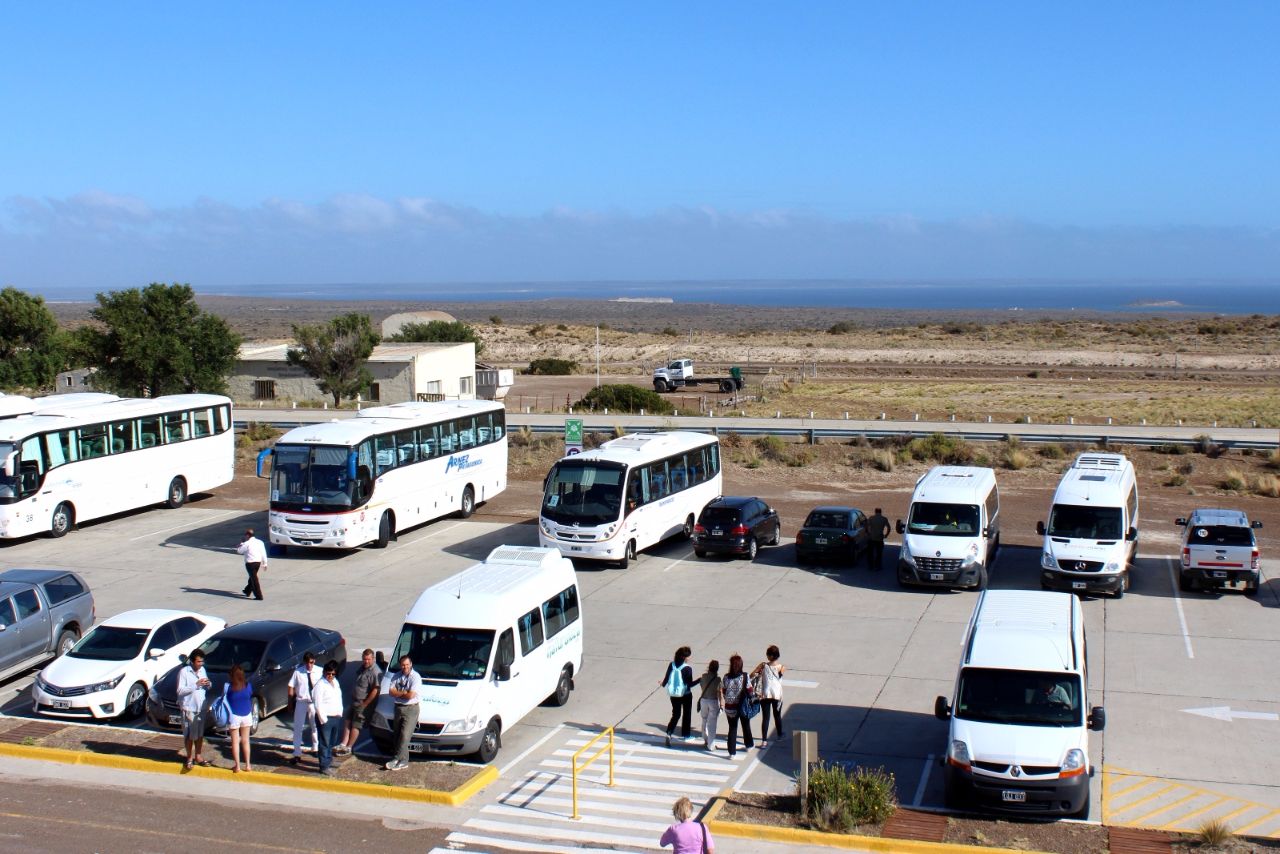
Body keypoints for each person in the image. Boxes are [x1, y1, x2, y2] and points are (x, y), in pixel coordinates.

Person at [337, 648, 381, 756]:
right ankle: (343, 743)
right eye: (364, 659)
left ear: (373, 658)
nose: (366, 661)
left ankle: (349, 747)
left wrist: (365, 704)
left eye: (369, 659)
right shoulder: (363, 668)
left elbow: (376, 690)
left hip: (363, 703)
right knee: (347, 720)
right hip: (355, 701)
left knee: (356, 725)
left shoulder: (375, 672)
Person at [177, 648, 211, 770]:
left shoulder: (203, 670)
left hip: (200, 708)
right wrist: (195, 685)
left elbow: (206, 686)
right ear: (192, 661)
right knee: (189, 735)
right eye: (198, 662)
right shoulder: (184, 672)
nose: (201, 664)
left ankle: (198, 755)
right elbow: (180, 691)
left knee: (200, 734)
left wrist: (208, 684)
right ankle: (189, 757)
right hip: (189, 708)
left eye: (202, 661)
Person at [386, 654, 421, 771]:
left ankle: (399, 759)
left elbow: (411, 695)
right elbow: (391, 692)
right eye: (403, 665)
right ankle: (401, 760)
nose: (405, 667)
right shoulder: (396, 676)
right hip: (398, 708)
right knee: (397, 734)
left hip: (411, 709)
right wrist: (403, 692)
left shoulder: (415, 677)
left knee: (405, 735)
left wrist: (399, 692)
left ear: (411, 664)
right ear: (400, 665)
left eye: (407, 664)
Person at [287, 652, 320, 764]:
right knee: (298, 727)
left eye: (311, 662)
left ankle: (315, 747)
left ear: (314, 661)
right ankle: (297, 752)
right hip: (301, 701)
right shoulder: (298, 672)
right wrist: (290, 702)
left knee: (314, 725)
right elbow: (291, 685)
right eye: (307, 662)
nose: (309, 665)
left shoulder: (320, 671)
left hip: (314, 702)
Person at [312, 660, 344, 776]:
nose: (330, 676)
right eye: (328, 673)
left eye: (333, 674)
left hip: (336, 717)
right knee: (324, 742)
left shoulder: (335, 682)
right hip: (326, 718)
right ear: (324, 672)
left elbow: (338, 698)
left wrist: (339, 713)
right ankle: (324, 766)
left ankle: (329, 760)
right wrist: (323, 719)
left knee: (332, 742)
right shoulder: (320, 685)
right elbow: (317, 704)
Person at [751, 646, 786, 748]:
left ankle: (764, 741)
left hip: (765, 694)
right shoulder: (782, 667)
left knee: (766, 718)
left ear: (770, 655)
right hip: (777, 695)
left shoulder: (763, 665)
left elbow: (752, 675)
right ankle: (780, 735)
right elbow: (780, 675)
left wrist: (759, 673)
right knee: (777, 715)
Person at [660, 646, 695, 746]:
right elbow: (689, 684)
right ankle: (686, 735)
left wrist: (662, 684)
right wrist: (700, 680)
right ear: (685, 657)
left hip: (674, 694)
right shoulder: (688, 668)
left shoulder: (672, 665)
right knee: (687, 714)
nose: (690, 658)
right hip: (686, 694)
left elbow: (666, 678)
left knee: (676, 715)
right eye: (689, 656)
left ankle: (669, 732)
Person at [720, 654, 753, 758]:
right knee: (746, 725)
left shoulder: (726, 677)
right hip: (742, 706)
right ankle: (749, 745)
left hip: (730, 707)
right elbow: (750, 690)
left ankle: (731, 753)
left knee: (732, 728)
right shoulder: (745, 676)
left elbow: (724, 691)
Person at [226, 663, 254, 773]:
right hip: (247, 715)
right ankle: (248, 765)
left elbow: (225, 698)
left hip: (234, 716)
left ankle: (237, 766)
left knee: (235, 741)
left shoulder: (229, 687)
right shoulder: (248, 685)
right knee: (246, 741)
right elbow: (250, 694)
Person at [697, 660, 722, 751]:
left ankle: (705, 738)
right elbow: (719, 692)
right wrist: (722, 704)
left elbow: (701, 686)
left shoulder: (703, 676)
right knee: (712, 723)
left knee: (704, 719)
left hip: (703, 700)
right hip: (713, 701)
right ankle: (711, 745)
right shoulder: (718, 679)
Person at [236, 528, 267, 600]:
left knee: (254, 579)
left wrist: (240, 545)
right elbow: (263, 553)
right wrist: (265, 563)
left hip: (250, 563)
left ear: (248, 535)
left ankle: (259, 596)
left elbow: (239, 551)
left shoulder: (246, 543)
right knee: (252, 577)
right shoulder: (260, 542)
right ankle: (247, 591)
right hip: (258, 563)